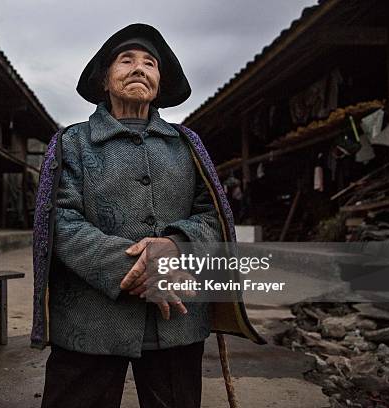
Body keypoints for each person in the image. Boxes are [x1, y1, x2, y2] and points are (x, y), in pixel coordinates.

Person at [32, 24, 265, 408]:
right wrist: (140, 269)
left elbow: (213, 217)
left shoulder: (187, 143)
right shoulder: (72, 142)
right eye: (126, 60)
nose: (139, 68)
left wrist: (174, 246)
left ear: (159, 82)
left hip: (177, 318)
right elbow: (59, 221)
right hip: (90, 320)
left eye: (150, 63)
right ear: (105, 80)